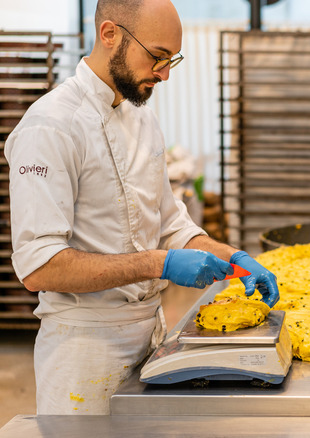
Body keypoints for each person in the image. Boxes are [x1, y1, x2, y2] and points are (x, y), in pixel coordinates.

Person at [4, 0, 280, 414]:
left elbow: (171, 223)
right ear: (109, 34)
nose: (165, 74)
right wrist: (159, 264)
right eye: (156, 56)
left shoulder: (141, 116)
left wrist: (234, 257)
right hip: (83, 352)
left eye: (173, 60)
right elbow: (39, 267)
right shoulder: (50, 127)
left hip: (152, 337)